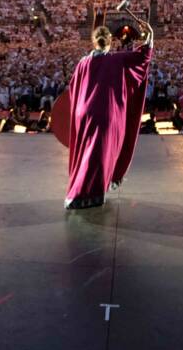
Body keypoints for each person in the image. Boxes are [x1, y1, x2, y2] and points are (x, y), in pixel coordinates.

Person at [64, 17, 154, 210]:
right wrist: (150, 34)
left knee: (85, 152)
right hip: (104, 113)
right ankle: (82, 194)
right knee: (98, 155)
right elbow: (143, 58)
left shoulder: (82, 63)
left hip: (83, 113)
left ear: (94, 41)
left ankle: (80, 190)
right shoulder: (117, 59)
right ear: (110, 41)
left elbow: (73, 88)